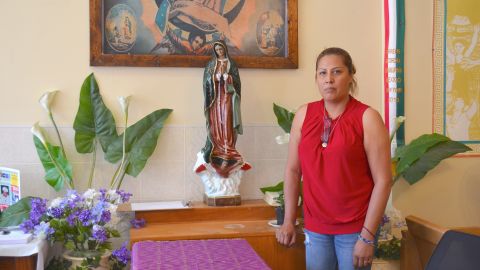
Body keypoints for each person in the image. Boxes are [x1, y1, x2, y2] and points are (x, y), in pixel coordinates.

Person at [276, 47, 392, 270]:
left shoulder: (367, 118)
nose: (329, 79)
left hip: (356, 230)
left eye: (337, 72)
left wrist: (367, 236)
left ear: (350, 76)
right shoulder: (303, 115)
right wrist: (288, 220)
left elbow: (383, 181)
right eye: (322, 73)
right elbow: (292, 171)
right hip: (316, 228)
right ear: (316, 78)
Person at [200, 40, 244, 178]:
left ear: (225, 49)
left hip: (227, 97)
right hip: (215, 99)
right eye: (217, 50)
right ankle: (217, 149)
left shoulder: (232, 64)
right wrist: (213, 78)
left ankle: (228, 149)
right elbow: (205, 80)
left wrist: (229, 78)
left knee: (227, 122)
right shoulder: (211, 64)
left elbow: (237, 82)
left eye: (221, 49)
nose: (219, 52)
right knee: (216, 122)